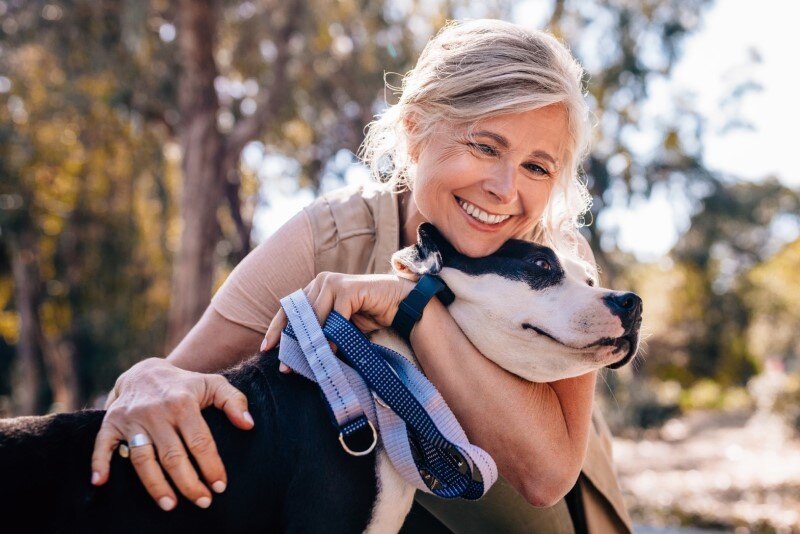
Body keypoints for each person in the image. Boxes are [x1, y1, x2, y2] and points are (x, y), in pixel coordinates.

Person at [90, 19, 633, 533]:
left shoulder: (557, 261)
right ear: (417, 129)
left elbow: (544, 476)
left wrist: (409, 305)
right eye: (485, 146)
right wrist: (146, 379)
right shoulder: (329, 237)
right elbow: (173, 379)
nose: (504, 188)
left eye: (538, 167)